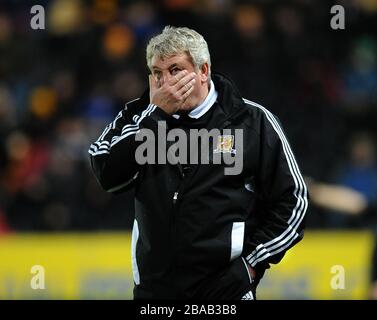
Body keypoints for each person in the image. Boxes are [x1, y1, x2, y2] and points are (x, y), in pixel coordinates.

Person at [88, 26, 308, 300]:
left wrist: (250, 264)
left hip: (226, 292)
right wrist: (155, 118)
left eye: (175, 70)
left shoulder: (250, 121)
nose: (165, 83)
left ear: (203, 71)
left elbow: (294, 200)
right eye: (157, 73)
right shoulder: (138, 117)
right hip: (156, 294)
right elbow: (106, 173)